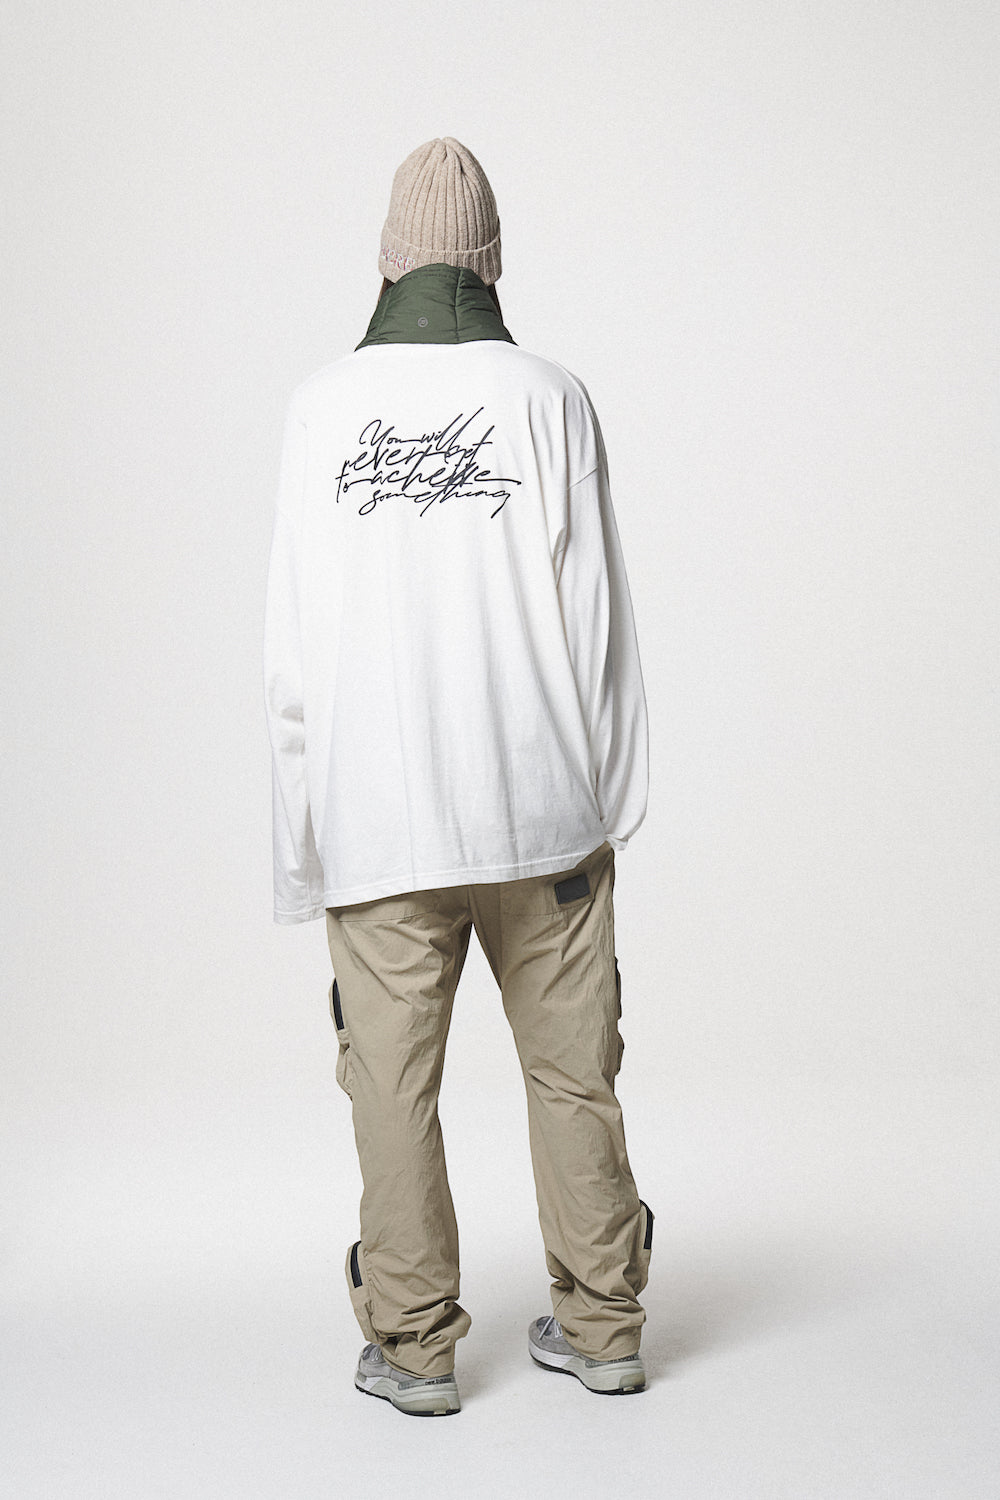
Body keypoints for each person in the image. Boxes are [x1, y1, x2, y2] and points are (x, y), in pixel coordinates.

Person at [263, 137, 652, 1417]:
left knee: (390, 1090)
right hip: (542, 814)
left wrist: (300, 852)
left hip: (380, 822)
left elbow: (291, 656)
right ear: (492, 260)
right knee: (573, 1075)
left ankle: (415, 1347)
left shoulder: (320, 409)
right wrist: (608, 806)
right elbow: (599, 624)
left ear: (387, 256)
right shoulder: (553, 397)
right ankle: (603, 1330)